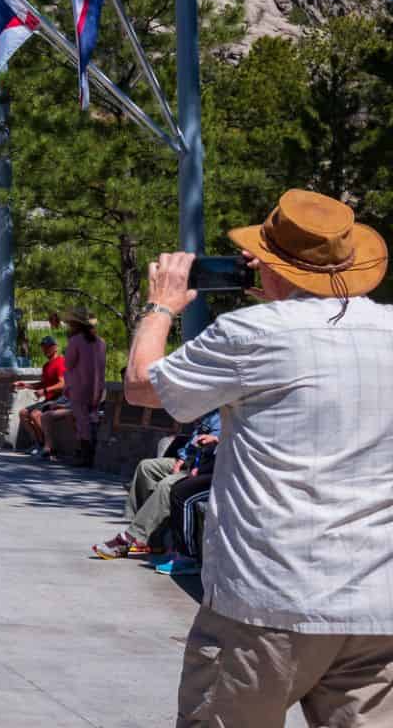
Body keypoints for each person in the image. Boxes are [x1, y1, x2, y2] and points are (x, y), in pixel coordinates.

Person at [123, 190, 393, 726]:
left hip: (268, 599)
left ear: (269, 265)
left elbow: (140, 385)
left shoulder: (249, 335)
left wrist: (160, 305)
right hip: (375, 603)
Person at [91, 412, 220, 559]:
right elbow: (194, 440)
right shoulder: (211, 411)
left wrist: (202, 465)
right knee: (146, 467)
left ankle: (131, 537)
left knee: (167, 484)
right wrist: (182, 459)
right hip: (193, 461)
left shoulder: (233, 413)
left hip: (207, 469)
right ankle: (153, 539)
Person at [59, 310, 105, 467]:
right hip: (97, 387)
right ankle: (85, 452)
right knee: (91, 418)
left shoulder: (75, 341)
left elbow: (68, 364)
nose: (69, 326)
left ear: (77, 325)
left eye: (71, 323)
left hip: (79, 386)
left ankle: (85, 455)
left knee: (82, 420)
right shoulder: (101, 342)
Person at [17, 336, 66, 457]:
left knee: (35, 414)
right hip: (48, 399)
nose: (44, 350)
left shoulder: (60, 362)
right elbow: (42, 384)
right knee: (23, 413)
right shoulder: (46, 366)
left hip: (59, 399)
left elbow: (62, 384)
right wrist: (26, 385)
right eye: (43, 347)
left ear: (54, 348)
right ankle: (38, 443)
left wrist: (45, 390)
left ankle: (48, 447)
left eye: (47, 347)